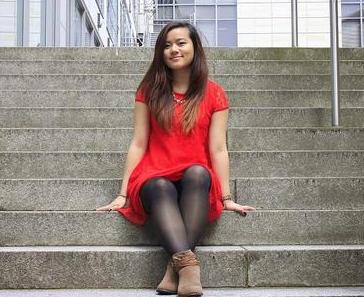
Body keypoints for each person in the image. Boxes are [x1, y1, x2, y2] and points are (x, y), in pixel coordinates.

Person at [97, 21, 256, 297]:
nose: (174, 49)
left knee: (198, 173)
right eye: (167, 45)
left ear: (195, 47)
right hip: (153, 176)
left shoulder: (214, 93)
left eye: (181, 43)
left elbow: (218, 148)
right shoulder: (149, 89)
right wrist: (123, 194)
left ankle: (177, 267)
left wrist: (227, 197)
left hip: (195, 179)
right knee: (159, 186)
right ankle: (190, 267)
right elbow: (138, 142)